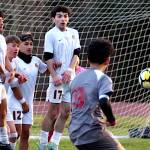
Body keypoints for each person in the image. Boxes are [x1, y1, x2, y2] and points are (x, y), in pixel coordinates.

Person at [69, 38, 126, 150]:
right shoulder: (103, 79)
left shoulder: (76, 79)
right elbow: (104, 101)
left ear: (88, 59)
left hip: (75, 132)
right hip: (92, 132)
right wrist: (111, 119)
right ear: (107, 60)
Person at [38, 5, 81, 150]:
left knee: (66, 112)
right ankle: (42, 144)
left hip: (71, 79)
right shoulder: (50, 34)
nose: (63, 19)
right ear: (53, 19)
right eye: (59, 16)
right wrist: (54, 75)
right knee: (53, 112)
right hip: (57, 81)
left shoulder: (74, 32)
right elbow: (48, 57)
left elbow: (77, 53)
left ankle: (54, 144)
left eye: (65, 16)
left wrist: (70, 69)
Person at [7, 32, 48, 150]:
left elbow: (47, 70)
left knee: (26, 134)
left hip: (28, 103)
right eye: (26, 44)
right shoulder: (14, 61)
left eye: (31, 44)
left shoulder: (36, 60)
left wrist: (54, 62)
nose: (29, 46)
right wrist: (23, 103)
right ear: (19, 46)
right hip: (15, 101)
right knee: (15, 133)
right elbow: (14, 86)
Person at [5, 35, 29, 150]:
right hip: (5, 102)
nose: (16, 48)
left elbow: (13, 84)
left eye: (18, 46)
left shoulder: (14, 63)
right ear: (5, 47)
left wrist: (18, 77)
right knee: (6, 134)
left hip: (5, 102)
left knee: (14, 134)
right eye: (13, 46)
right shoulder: (2, 61)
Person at [0, 10, 14, 150]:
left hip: (1, 82)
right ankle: (4, 142)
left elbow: (4, 59)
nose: (1, 25)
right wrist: (4, 72)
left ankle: (3, 141)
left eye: (2, 23)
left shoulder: (2, 39)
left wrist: (12, 71)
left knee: (3, 112)